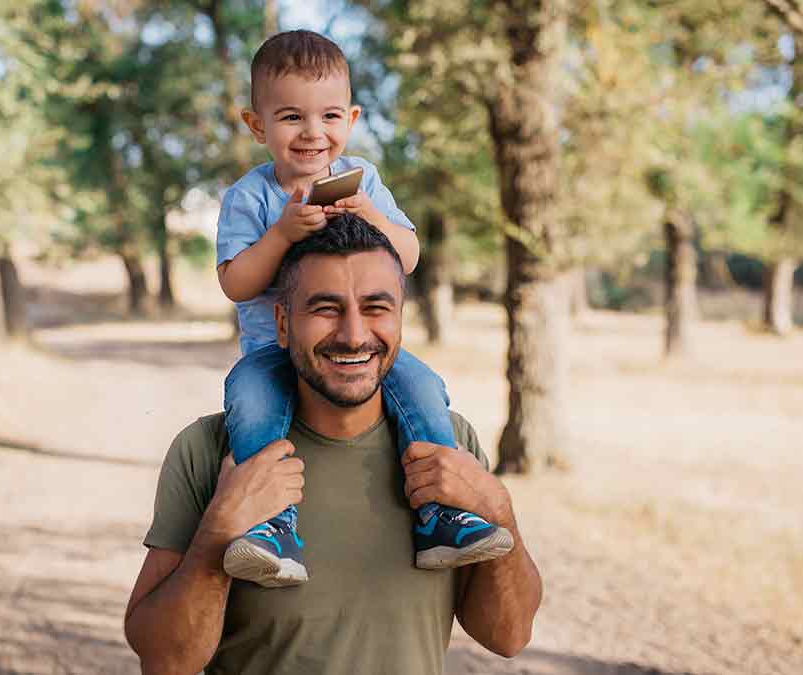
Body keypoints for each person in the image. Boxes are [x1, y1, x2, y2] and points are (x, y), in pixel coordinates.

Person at [126, 215, 543, 675]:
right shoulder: (209, 450)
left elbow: (508, 636)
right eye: (326, 308)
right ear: (282, 323)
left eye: (376, 308)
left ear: (400, 319)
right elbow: (164, 661)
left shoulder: (449, 444)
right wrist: (215, 537)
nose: (353, 335)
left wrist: (499, 511)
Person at [214, 29, 512, 588]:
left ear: (350, 120)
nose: (312, 132)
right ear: (257, 125)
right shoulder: (250, 197)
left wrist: (371, 215)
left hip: (363, 352)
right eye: (291, 117)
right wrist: (281, 235)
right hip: (274, 353)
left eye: (329, 116)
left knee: (423, 387)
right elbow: (235, 282)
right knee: (249, 401)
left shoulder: (364, 180)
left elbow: (409, 255)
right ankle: (271, 526)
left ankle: (440, 514)